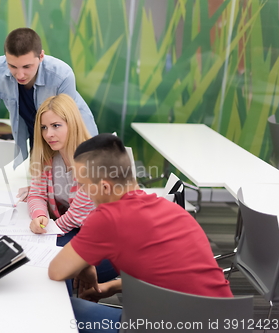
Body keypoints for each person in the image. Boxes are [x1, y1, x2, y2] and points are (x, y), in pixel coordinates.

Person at [48, 133, 233, 332]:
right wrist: (113, 287)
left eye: (83, 185)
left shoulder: (107, 217)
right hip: (226, 321)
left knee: (53, 311)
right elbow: (177, 278)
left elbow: (56, 271)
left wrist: (83, 265)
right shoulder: (174, 211)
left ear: (104, 186)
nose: (81, 191)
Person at [0, 27, 98, 194]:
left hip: (74, 135)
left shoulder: (62, 74)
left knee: (79, 188)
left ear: (41, 56)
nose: (20, 74)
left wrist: (44, 187)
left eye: (27, 66)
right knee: (40, 186)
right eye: (12, 66)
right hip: (39, 134)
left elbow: (68, 129)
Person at [27, 94, 94, 245]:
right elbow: (36, 194)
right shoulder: (48, 158)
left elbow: (76, 216)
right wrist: (39, 217)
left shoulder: (93, 161)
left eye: (56, 126)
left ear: (73, 124)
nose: (48, 134)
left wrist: (47, 231)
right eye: (44, 128)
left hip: (105, 237)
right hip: (73, 228)